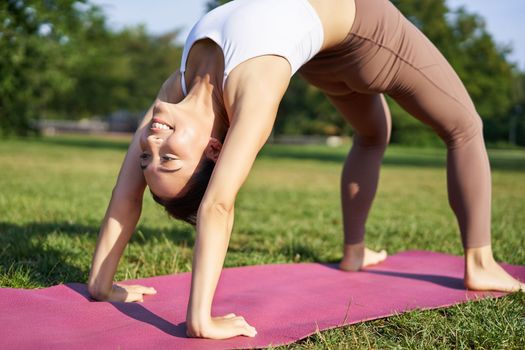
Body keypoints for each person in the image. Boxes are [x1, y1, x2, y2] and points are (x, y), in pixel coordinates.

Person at [87, 0, 524, 340]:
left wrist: (101, 285)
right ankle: (480, 262)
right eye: (169, 158)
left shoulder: (176, 89)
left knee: (373, 134)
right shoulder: (252, 88)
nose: (151, 143)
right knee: (465, 127)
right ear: (214, 148)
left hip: (324, 53)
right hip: (365, 30)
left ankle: (355, 251)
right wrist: (199, 318)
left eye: (149, 157)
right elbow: (218, 204)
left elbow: (126, 194)